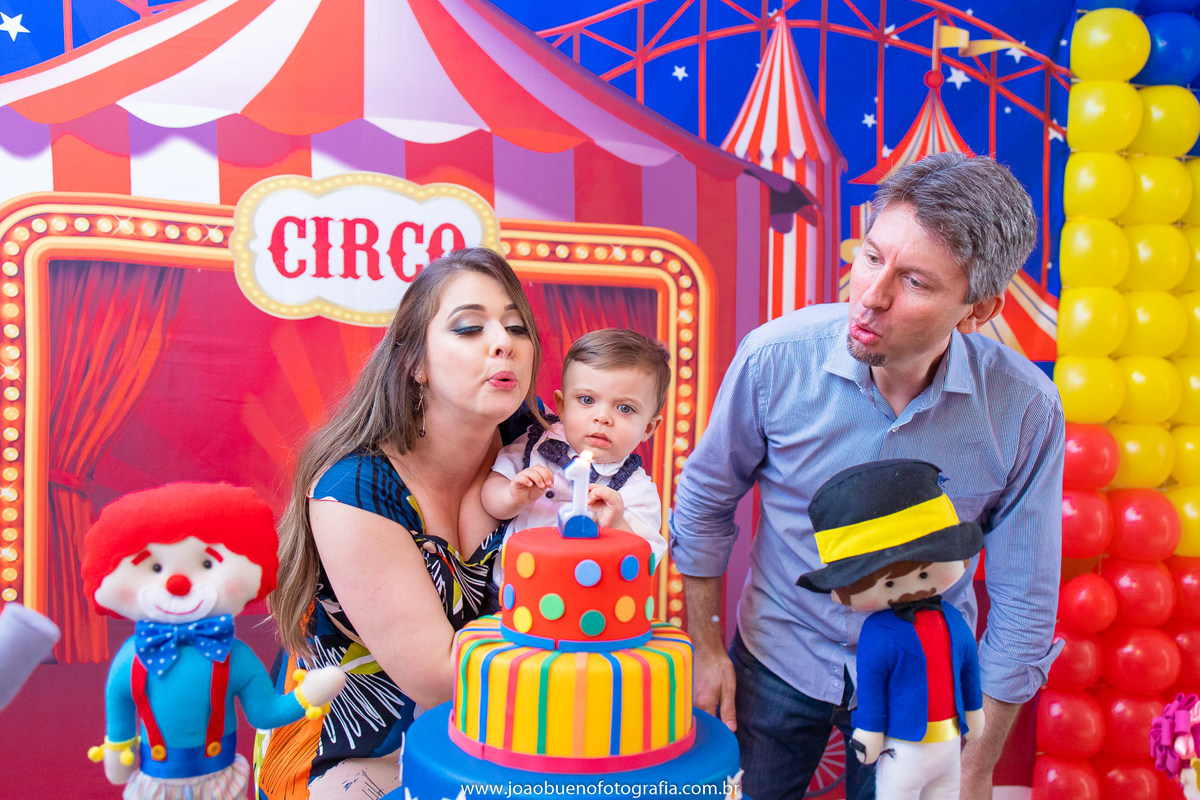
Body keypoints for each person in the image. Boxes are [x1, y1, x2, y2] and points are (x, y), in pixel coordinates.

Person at [669, 153, 1064, 800]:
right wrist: (706, 647)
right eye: (872, 256)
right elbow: (707, 499)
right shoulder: (775, 359)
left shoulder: (1024, 411)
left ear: (977, 311)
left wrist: (978, 759)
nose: (871, 296)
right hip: (777, 653)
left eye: (914, 282)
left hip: (925, 685)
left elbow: (1026, 596)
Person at [257, 247, 544, 799]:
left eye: (516, 326)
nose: (503, 341)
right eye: (468, 328)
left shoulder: (543, 453)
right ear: (415, 363)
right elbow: (438, 675)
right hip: (355, 752)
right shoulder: (354, 490)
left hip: (505, 739)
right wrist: (603, 678)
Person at [798, 460, 985, 800]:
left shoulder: (955, 622)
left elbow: (969, 669)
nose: (912, 587)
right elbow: (871, 688)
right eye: (890, 581)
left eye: (925, 573)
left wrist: (974, 708)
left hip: (949, 746)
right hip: (902, 749)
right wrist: (869, 730)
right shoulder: (878, 634)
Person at [482, 328, 669, 574]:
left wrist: (618, 525)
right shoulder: (536, 444)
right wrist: (512, 496)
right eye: (587, 400)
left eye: (624, 408)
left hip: (586, 604)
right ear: (561, 405)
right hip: (512, 593)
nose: (602, 418)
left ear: (648, 427)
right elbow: (489, 497)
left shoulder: (636, 490)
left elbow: (644, 563)